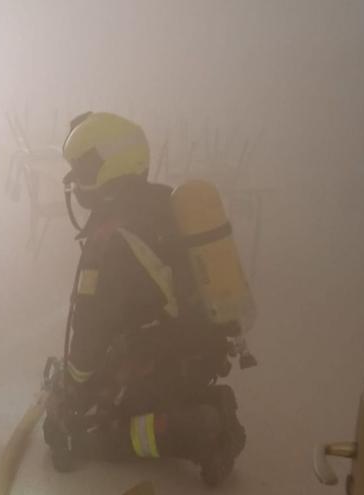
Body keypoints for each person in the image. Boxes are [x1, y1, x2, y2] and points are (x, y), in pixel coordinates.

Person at [42, 112, 246, 486]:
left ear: (111, 168)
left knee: (91, 436)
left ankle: (197, 431)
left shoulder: (111, 239)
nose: (76, 182)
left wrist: (71, 394)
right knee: (106, 396)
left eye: (84, 170)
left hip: (160, 360)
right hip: (192, 350)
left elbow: (89, 331)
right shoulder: (162, 203)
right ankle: (202, 405)